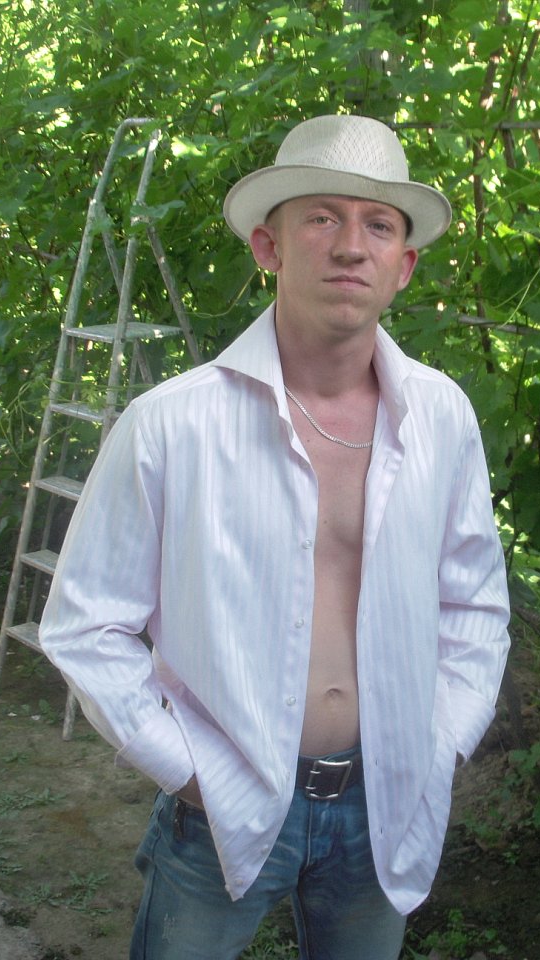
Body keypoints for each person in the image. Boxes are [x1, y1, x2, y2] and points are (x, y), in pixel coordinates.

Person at [39, 113, 510, 960]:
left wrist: (440, 742)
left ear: (403, 265)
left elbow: (474, 602)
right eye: (321, 217)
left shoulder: (441, 417)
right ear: (269, 246)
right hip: (218, 805)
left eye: (379, 226)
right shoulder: (171, 425)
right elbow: (85, 624)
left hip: (386, 804)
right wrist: (188, 771)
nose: (350, 246)